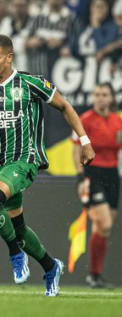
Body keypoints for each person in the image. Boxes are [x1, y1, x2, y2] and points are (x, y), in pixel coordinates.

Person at [0, 34, 95, 297]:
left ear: (9, 57)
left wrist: (85, 141)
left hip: (24, 160)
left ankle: (15, 254)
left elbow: (65, 106)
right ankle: (50, 266)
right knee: (18, 227)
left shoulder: (30, 83)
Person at [72, 83, 121, 288]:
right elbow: (76, 151)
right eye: (97, 94)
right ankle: (93, 274)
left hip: (113, 175)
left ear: (110, 98)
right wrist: (81, 178)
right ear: (93, 98)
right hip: (93, 175)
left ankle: (95, 275)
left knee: (103, 229)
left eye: (104, 94)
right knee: (105, 224)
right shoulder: (85, 120)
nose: (101, 98)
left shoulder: (117, 121)